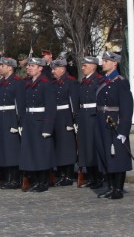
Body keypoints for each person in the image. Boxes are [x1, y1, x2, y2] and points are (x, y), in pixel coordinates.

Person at [95, 51, 133, 199]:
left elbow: (127, 106)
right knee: (105, 154)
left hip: (114, 121)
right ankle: (110, 187)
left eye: (106, 61)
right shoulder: (102, 81)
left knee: (117, 155)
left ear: (114, 63)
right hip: (101, 121)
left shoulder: (121, 82)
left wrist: (123, 129)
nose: (103, 63)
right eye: (103, 61)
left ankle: (118, 189)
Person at [19, 57, 56, 192]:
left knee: (41, 153)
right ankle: (35, 180)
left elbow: (51, 107)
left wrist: (48, 127)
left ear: (40, 68)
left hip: (41, 122)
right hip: (29, 121)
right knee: (31, 152)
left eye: (32, 66)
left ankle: (43, 182)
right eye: (28, 65)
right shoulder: (28, 83)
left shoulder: (46, 83)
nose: (29, 68)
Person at [0, 57, 24, 189]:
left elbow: (20, 104)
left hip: (11, 118)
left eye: (3, 65)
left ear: (10, 67)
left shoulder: (17, 82)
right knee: (4, 150)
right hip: (1, 118)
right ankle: (8, 177)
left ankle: (15, 178)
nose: (0, 67)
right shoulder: (1, 83)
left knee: (12, 150)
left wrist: (18, 123)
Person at [50, 58, 79, 186]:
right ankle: (61, 174)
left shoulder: (70, 82)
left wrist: (74, 120)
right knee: (58, 147)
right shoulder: (54, 83)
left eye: (55, 69)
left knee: (67, 148)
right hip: (56, 117)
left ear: (62, 69)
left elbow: (74, 103)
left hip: (66, 117)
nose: (52, 71)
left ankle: (68, 175)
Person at [78, 57, 104, 188]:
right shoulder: (83, 81)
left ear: (93, 66)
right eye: (82, 65)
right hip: (84, 115)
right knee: (86, 147)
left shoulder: (99, 80)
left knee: (94, 147)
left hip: (93, 115)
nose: (83, 68)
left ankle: (98, 177)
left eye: (85, 65)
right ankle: (90, 176)